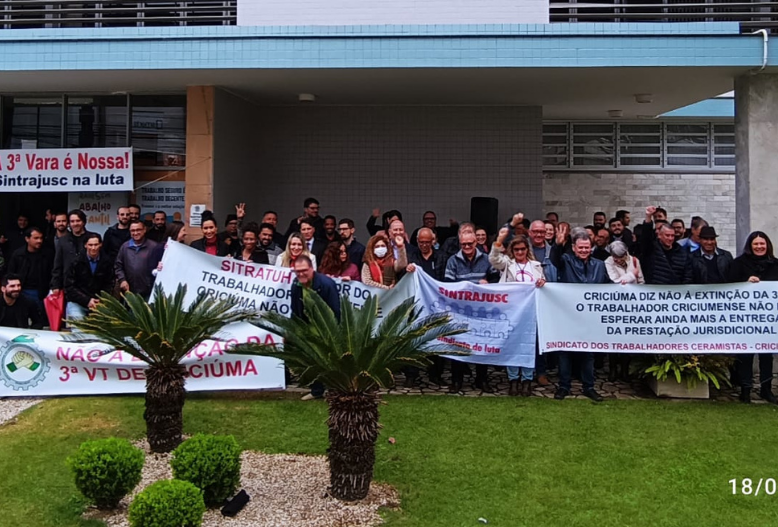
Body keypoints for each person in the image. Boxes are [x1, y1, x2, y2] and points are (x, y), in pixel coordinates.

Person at [549, 225, 608, 402]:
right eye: (580, 247)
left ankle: (589, 387)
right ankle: (564, 386)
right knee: (565, 351)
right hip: (567, 314)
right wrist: (557, 245)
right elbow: (554, 259)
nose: (583, 250)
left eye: (586, 247)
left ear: (591, 247)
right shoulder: (565, 260)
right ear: (574, 248)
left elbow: (608, 286)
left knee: (588, 354)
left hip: (590, 318)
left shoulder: (599, 265)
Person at [489, 230, 546, 396]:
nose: (520, 252)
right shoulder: (507, 264)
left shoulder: (536, 266)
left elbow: (542, 285)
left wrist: (543, 282)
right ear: (512, 251)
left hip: (531, 312)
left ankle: (526, 380)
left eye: (522, 249)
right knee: (512, 346)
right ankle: (513, 379)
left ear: (527, 249)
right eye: (516, 250)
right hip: (512, 312)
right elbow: (493, 259)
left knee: (528, 346)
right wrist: (498, 241)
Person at [729, 231, 778, 404]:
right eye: (756, 244)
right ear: (750, 246)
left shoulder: (775, 264)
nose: (759, 247)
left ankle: (766, 388)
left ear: (767, 245)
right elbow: (729, 285)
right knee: (746, 354)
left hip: (768, 320)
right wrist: (745, 282)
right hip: (745, 319)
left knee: (766, 355)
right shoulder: (739, 264)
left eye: (762, 244)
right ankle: (745, 389)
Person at [445, 230, 497, 393]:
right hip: (460, 310)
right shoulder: (452, 261)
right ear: (460, 244)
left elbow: (496, 280)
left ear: (476, 243)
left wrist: (488, 282)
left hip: (482, 311)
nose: (467, 246)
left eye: (470, 243)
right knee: (458, 344)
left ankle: (481, 379)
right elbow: (448, 284)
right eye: (464, 244)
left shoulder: (487, 259)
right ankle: (456, 380)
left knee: (482, 345)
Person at [291, 254, 341, 400]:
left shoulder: (327, 284)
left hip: (327, 330)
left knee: (332, 362)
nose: (301, 274)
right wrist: (292, 331)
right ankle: (316, 391)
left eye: (304, 270)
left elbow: (335, 310)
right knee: (311, 361)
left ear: (312, 269)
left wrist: (334, 332)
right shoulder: (296, 285)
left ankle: (335, 391)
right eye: (297, 271)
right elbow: (295, 310)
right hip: (308, 330)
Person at [604, 240, 644, 381]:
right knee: (614, 338)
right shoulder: (608, 262)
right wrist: (631, 276)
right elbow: (616, 281)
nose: (618, 260)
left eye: (620, 258)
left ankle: (625, 370)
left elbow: (641, 281)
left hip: (632, 305)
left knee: (628, 338)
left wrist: (634, 279)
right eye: (615, 257)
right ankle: (613, 369)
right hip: (615, 305)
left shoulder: (634, 260)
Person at [64, 233, 114, 320]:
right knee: (78, 322)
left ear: (100, 244)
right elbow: (69, 287)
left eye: (96, 245)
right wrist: (87, 300)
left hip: (99, 302)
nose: (93, 248)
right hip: (77, 302)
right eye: (90, 245)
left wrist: (100, 300)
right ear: (85, 245)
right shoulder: (75, 262)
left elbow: (109, 284)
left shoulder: (107, 262)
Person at [639, 206, 693, 285]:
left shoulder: (682, 252)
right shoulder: (651, 249)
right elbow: (645, 237)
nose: (670, 238)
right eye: (667, 235)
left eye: (672, 235)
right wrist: (648, 217)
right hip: (655, 291)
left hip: (676, 292)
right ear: (659, 235)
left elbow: (687, 275)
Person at [7, 228, 50, 320]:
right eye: (36, 238)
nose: (39, 241)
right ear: (27, 239)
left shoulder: (47, 254)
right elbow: (10, 274)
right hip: (22, 290)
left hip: (41, 292)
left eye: (41, 238)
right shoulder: (18, 254)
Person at [115, 221, 163, 300]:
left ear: (144, 230)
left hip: (149, 292)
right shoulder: (125, 247)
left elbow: (161, 266)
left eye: (138, 230)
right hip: (130, 291)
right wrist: (122, 280)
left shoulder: (154, 247)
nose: (136, 233)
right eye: (133, 231)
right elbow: (118, 266)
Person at [51, 209, 95, 294]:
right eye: (72, 221)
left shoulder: (92, 238)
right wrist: (55, 285)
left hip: (89, 284)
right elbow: (58, 264)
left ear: (83, 222)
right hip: (69, 285)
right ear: (69, 224)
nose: (75, 224)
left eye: (78, 221)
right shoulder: (63, 241)